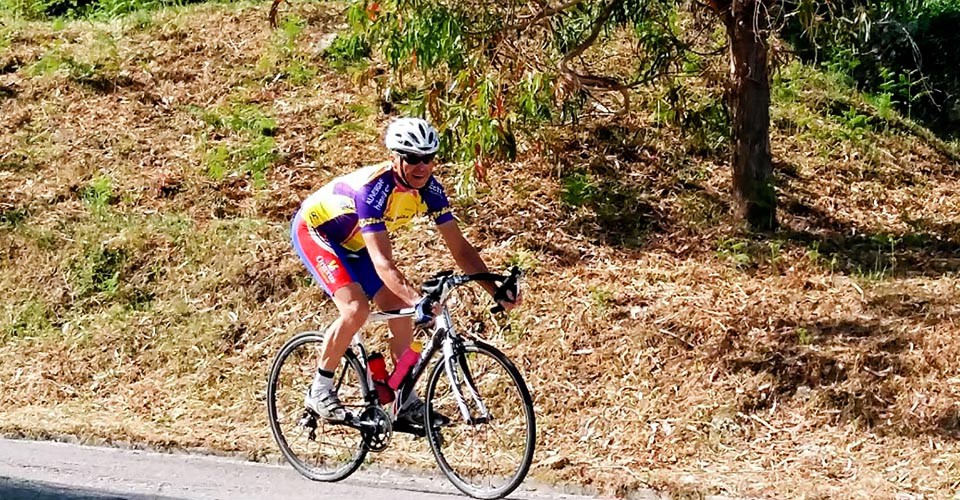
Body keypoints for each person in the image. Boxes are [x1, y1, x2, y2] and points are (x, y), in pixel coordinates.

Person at [290, 117, 518, 428]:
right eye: (412, 158)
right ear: (395, 158)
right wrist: (419, 299)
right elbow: (384, 263)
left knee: (398, 309)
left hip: (357, 244)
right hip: (319, 233)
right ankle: (320, 387)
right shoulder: (373, 191)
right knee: (356, 308)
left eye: (429, 158)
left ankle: (401, 399)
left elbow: (460, 249)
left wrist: (496, 289)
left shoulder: (431, 189)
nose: (421, 166)